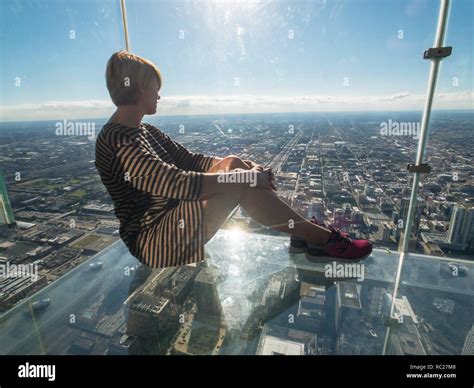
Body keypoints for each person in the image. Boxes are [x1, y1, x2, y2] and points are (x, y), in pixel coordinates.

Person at [95, 50, 372, 269]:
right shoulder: (118, 140)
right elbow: (175, 183)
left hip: (171, 220)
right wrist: (248, 178)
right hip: (153, 241)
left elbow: (192, 161)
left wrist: (246, 168)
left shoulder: (143, 130)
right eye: (156, 87)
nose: (160, 94)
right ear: (141, 88)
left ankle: (304, 234)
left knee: (233, 164)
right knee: (238, 182)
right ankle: (322, 240)